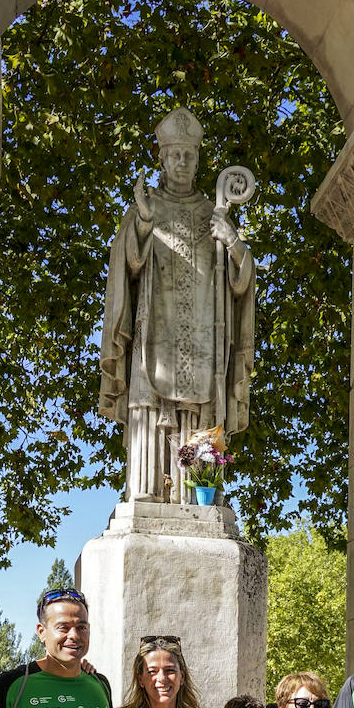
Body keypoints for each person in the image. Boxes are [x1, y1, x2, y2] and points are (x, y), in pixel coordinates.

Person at [99, 106, 255, 503]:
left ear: (198, 160)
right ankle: (147, 493)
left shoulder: (213, 214)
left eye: (189, 155)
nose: (182, 162)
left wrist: (233, 242)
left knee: (202, 407)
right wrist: (143, 224)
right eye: (174, 155)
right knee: (149, 408)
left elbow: (241, 285)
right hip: (155, 337)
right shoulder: (145, 209)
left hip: (204, 343)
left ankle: (196, 496)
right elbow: (127, 266)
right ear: (163, 159)